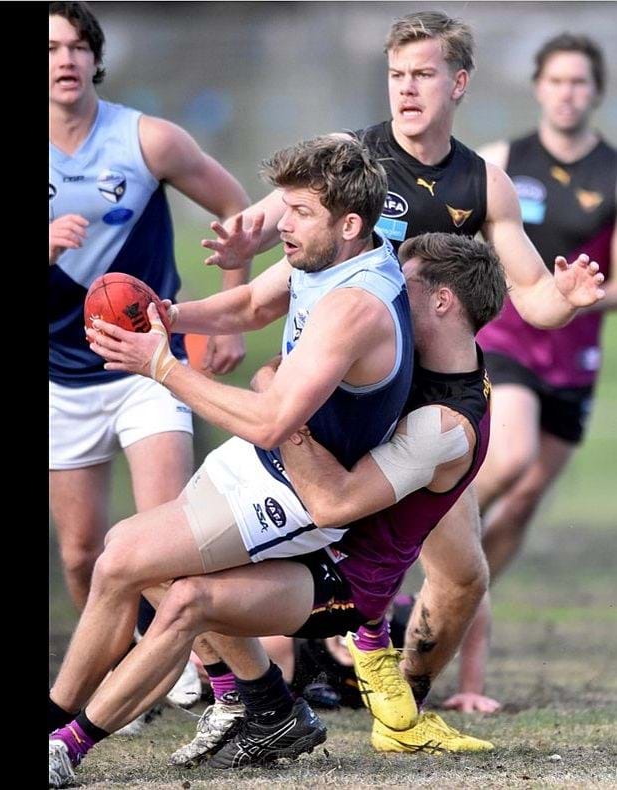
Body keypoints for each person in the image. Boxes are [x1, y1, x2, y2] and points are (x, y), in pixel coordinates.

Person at [198, 11, 607, 743]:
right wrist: (235, 257)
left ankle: (394, 702)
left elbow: (533, 296)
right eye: (396, 75)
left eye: (423, 74)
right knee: (296, 546)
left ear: (459, 82)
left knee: (463, 578)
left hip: (426, 409)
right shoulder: (347, 157)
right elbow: (258, 232)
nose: (407, 88)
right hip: (345, 399)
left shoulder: (483, 182)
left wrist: (566, 299)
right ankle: (238, 679)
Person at [49, 233, 502, 785]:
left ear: (443, 300)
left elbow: (332, 501)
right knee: (140, 557)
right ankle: (263, 706)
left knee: (185, 598)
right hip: (305, 524)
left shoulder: (446, 424)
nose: (391, 299)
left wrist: (282, 418)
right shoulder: (414, 356)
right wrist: (273, 393)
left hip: (341, 577)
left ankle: (66, 746)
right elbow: (276, 369)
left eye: (405, 288)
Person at [48, 132, 413, 750]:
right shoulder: (324, 257)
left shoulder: (354, 305)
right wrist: (170, 316)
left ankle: (61, 730)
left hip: (301, 486)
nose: (282, 225)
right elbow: (248, 306)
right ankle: (266, 705)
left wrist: (160, 365)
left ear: (350, 224)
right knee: (149, 568)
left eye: (300, 212)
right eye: (285, 207)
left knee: (122, 561)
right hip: (265, 460)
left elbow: (271, 421)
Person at [48, 2, 255, 718]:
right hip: (61, 379)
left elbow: (236, 210)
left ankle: (213, 680)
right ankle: (127, 671)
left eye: (77, 46)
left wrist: (228, 311)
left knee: (166, 537)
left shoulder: (148, 140)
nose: (64, 59)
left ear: (94, 58)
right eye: (50, 48)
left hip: (149, 365)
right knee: (81, 555)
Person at [449, 33, 617, 714]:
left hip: (574, 360)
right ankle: (423, 548)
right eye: (556, 81)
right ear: (539, 87)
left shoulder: (614, 173)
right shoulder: (500, 162)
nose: (567, 93)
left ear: (596, 92)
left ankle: (454, 601)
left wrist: (573, 295)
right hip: (508, 342)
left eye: (579, 82)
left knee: (521, 502)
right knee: (509, 458)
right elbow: (453, 235)